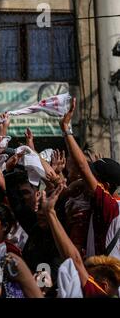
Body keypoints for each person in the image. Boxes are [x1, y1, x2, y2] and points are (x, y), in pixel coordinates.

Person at [60, 98, 120, 259]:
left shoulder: (111, 207)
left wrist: (66, 129)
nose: (84, 180)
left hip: (106, 279)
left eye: (90, 178)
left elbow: (82, 167)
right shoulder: (100, 203)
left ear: (105, 186)